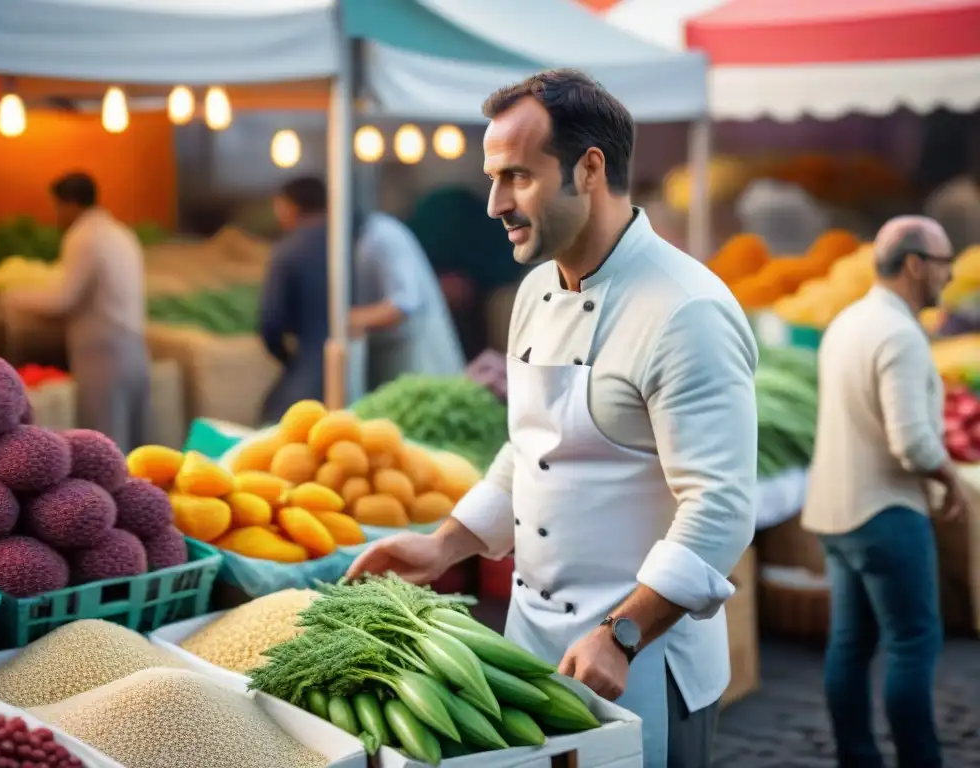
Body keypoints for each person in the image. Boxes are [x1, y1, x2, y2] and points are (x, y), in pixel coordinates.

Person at [347, 70, 758, 768]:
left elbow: (719, 508)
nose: (493, 203)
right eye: (492, 178)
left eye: (516, 177)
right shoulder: (534, 289)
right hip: (528, 647)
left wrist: (622, 635)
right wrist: (446, 544)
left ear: (589, 169)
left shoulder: (687, 311)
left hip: (640, 661)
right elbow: (530, 448)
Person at [801, 216, 967, 768]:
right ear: (917, 265)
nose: (949, 275)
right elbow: (913, 443)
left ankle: (858, 757)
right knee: (913, 644)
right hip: (887, 514)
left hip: (835, 513)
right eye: (945, 263)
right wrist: (952, 481)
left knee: (850, 646)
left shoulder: (848, 321)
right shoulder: (901, 333)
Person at [2, 172, 151, 452]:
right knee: (139, 449)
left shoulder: (83, 236)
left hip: (103, 353)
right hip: (135, 349)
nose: (57, 215)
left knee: (105, 449)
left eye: (57, 207)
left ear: (69, 204)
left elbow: (64, 299)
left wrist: (12, 298)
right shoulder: (120, 232)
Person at [351, 210, 466, 390]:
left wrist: (343, 320)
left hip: (420, 361)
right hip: (391, 364)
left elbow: (403, 305)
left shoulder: (382, 235)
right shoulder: (358, 242)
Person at [259, 177, 331, 423]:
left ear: (290, 206)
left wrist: (289, 360)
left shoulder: (288, 250)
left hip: (308, 371)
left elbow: (270, 323)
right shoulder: (355, 241)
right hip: (363, 366)